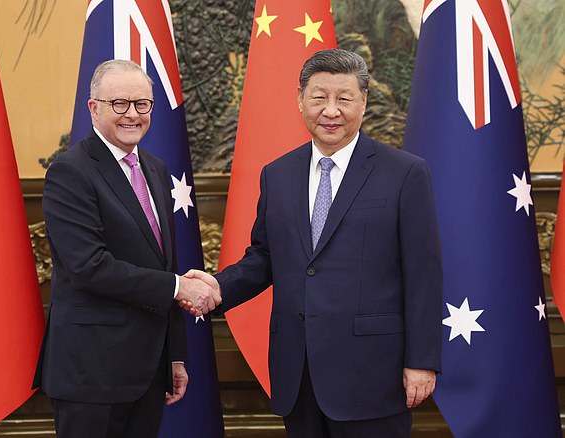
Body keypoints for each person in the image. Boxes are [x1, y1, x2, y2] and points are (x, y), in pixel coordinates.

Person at [187, 49, 442, 437]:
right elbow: (266, 256)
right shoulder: (278, 174)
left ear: (363, 102)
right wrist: (218, 287)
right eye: (319, 97)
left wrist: (422, 360)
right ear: (301, 100)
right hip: (299, 372)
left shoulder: (405, 173)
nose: (331, 110)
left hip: (373, 374)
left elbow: (423, 274)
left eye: (344, 98)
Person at [32, 59, 221, 438]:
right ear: (94, 108)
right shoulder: (70, 172)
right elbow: (89, 267)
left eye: (142, 104)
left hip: (148, 371)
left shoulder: (155, 168)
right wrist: (179, 287)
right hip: (92, 373)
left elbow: (164, 262)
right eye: (119, 103)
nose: (132, 114)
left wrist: (174, 355)